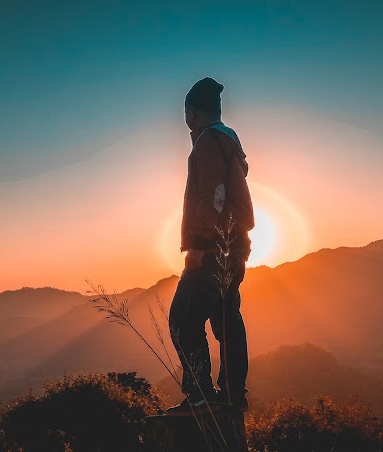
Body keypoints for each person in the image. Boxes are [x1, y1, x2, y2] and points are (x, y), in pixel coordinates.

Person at [166, 77, 254, 415]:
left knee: (182, 320)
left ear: (193, 112)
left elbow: (213, 195)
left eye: (185, 110)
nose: (184, 117)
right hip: (235, 245)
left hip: (213, 247)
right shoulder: (228, 140)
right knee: (226, 319)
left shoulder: (206, 142)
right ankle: (233, 394)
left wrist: (200, 244)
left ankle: (200, 396)